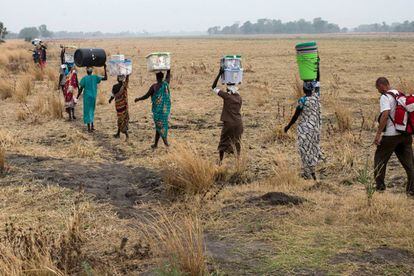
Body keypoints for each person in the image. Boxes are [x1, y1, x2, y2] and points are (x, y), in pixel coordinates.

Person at [374, 77, 414, 196]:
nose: (378, 91)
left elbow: (385, 115)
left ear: (382, 85)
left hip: (391, 135)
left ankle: (380, 188)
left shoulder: (385, 97)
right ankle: (411, 190)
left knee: (379, 161)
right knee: (410, 164)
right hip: (405, 134)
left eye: (378, 88)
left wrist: (378, 134)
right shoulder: (399, 94)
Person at [284, 69, 322, 180]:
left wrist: (288, 126)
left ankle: (307, 174)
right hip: (315, 130)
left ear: (304, 89)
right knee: (313, 150)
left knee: (304, 151)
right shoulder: (316, 97)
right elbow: (318, 81)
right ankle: (313, 173)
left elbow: (296, 116)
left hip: (305, 130)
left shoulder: (303, 101)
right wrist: (317, 66)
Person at [211, 68, 244, 164]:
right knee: (237, 142)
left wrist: (219, 73)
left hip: (229, 123)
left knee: (223, 141)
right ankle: (238, 162)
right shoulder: (239, 97)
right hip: (239, 123)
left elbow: (213, 87)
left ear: (228, 89)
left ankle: (220, 161)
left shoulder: (226, 96)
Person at [135, 70, 171, 149]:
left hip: (157, 112)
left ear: (156, 77)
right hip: (165, 111)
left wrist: (138, 99)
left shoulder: (154, 87)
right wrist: (168, 69)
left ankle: (166, 144)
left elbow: (146, 96)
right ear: (162, 77)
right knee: (159, 127)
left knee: (160, 127)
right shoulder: (165, 84)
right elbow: (168, 76)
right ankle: (155, 144)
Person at [77, 65, 108, 132]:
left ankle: (89, 128)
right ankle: (92, 126)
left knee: (87, 111)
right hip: (93, 96)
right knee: (92, 110)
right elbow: (105, 78)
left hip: (87, 97)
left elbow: (80, 89)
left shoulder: (84, 78)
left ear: (86, 71)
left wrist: (77, 97)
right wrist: (105, 68)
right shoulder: (95, 77)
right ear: (92, 71)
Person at [109, 75, 130, 140]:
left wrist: (110, 100)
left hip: (118, 106)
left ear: (117, 79)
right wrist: (127, 74)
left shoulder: (114, 86)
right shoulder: (124, 86)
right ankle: (126, 135)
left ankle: (118, 133)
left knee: (120, 118)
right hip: (124, 106)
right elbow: (127, 81)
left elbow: (112, 96)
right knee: (123, 120)